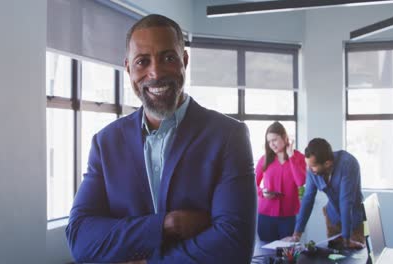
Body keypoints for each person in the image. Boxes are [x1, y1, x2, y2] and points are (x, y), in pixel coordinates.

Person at [65, 14, 257, 264]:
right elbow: (80, 239)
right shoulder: (106, 143)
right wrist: (167, 224)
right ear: (128, 69)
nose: (155, 72)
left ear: (184, 61)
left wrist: (150, 262)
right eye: (142, 62)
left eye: (168, 58)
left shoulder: (228, 136)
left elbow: (234, 245)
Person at [283, 138, 366, 249]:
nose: (309, 169)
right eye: (308, 165)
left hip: (353, 219)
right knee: (333, 255)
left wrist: (347, 239)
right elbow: (308, 199)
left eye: (312, 166)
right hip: (332, 216)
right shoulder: (312, 170)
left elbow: (346, 202)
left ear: (327, 163)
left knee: (353, 256)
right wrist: (296, 234)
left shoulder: (348, 164)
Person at [255, 122, 306, 242]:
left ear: (284, 137)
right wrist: (263, 192)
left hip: (288, 216)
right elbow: (253, 184)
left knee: (287, 254)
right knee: (266, 254)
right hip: (266, 215)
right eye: (269, 141)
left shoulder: (298, 157)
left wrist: (291, 156)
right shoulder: (264, 159)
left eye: (274, 140)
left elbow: (300, 181)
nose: (272, 144)